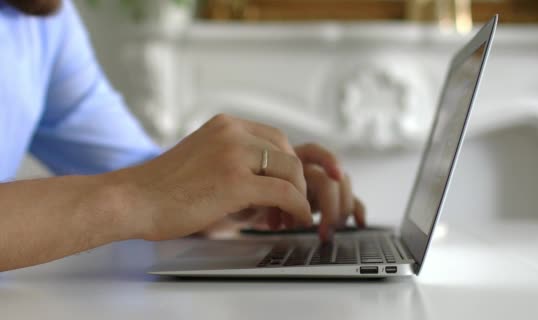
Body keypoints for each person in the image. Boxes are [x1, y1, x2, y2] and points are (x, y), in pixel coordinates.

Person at [0, 0, 365, 272]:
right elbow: (143, 191)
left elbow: (148, 176)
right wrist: (140, 196)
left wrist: (237, 188)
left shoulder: (44, 21)